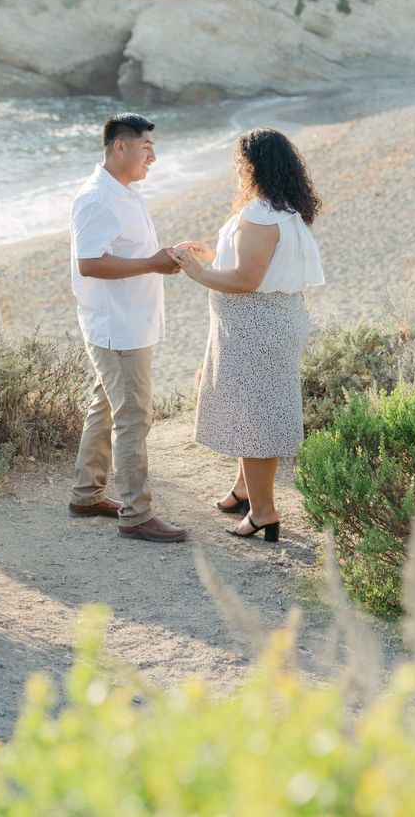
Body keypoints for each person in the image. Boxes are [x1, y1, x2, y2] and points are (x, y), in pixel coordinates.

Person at [167, 128, 324, 543]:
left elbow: (247, 279)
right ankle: (243, 490)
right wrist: (209, 255)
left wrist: (195, 271)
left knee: (254, 419)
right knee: (252, 408)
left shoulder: (259, 214)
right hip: (275, 319)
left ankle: (264, 512)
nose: (237, 171)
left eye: (239, 164)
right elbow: (254, 264)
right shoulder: (284, 208)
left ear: (251, 166)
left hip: (256, 325)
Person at [68, 112, 188, 543]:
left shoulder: (125, 191)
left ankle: (86, 494)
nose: (152, 158)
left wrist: (164, 254)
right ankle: (136, 515)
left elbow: (126, 250)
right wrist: (154, 262)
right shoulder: (98, 197)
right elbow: (91, 262)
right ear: (120, 147)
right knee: (133, 416)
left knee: (105, 405)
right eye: (145, 148)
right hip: (116, 326)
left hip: (129, 320)